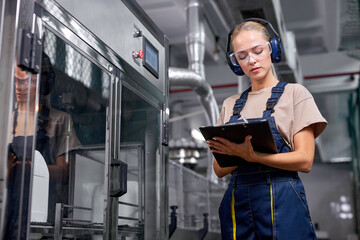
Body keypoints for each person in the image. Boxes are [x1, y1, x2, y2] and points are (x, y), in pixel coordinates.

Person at [206, 18, 327, 239]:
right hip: (238, 199)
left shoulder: (295, 94)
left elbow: (304, 160)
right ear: (235, 63)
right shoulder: (230, 105)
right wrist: (237, 154)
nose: (251, 60)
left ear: (273, 49)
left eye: (258, 50)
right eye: (242, 56)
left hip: (282, 197)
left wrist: (253, 156)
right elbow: (219, 169)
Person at [5, 53, 81, 239]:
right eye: (16, 81)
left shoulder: (60, 120)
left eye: (26, 82)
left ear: (43, 84)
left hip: (44, 219)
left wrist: (29, 168)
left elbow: (66, 174)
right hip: (7, 212)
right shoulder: (5, 120)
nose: (19, 87)